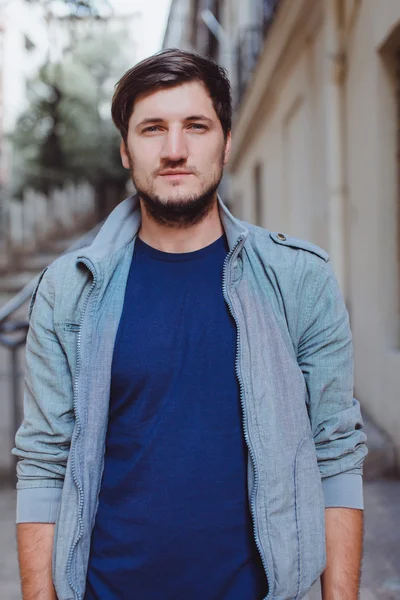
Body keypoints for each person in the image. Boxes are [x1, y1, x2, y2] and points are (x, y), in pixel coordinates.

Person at [14, 49, 367, 600]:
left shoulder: (300, 279)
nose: (174, 150)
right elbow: (44, 462)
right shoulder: (68, 289)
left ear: (226, 142)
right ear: (126, 151)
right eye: (153, 128)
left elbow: (336, 453)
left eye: (195, 126)